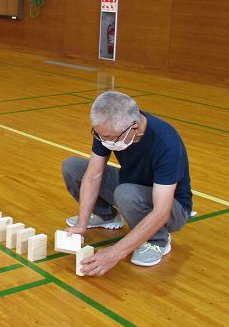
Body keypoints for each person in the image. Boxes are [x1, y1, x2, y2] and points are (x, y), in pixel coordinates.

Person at [63, 91, 192, 275]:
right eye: (99, 135)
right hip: (130, 186)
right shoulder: (107, 130)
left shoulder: (166, 143)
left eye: (108, 137)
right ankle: (106, 216)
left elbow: (162, 211)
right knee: (73, 166)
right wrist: (81, 224)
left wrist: (115, 253)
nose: (103, 140)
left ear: (134, 128)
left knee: (126, 193)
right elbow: (93, 175)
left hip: (173, 207)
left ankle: (158, 241)